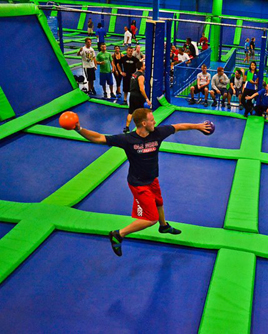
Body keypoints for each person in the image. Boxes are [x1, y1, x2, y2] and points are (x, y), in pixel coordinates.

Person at [73, 108, 212, 256]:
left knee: (159, 201)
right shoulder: (128, 139)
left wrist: (198, 126)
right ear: (144, 123)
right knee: (151, 219)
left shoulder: (157, 133)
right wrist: (79, 129)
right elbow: (99, 138)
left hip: (152, 179)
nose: (155, 122)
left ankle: (163, 226)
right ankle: (119, 234)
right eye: (152, 120)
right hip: (138, 184)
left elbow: (178, 126)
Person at [124, 62, 151, 133]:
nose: (145, 67)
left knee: (130, 112)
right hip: (138, 96)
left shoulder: (134, 74)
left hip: (132, 95)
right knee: (141, 113)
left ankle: (126, 127)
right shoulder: (141, 76)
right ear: (141, 67)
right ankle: (141, 128)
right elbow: (141, 89)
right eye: (144, 65)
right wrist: (146, 98)